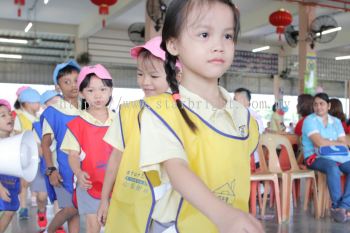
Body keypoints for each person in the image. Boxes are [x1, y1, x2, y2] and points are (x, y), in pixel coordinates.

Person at [137, 1, 263, 232]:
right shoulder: (161, 111)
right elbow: (177, 170)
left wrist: (232, 218)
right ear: (173, 44)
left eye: (228, 36)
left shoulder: (243, 116)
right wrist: (223, 215)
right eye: (204, 34)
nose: (219, 45)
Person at [98, 36, 180, 232]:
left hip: (167, 209)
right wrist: (104, 199)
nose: (145, 82)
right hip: (129, 201)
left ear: (175, 74)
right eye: (140, 74)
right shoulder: (127, 112)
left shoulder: (183, 113)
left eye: (153, 76)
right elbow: (115, 158)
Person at [61, 64, 115, 233]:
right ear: (82, 93)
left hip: (117, 185)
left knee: (114, 226)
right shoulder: (77, 124)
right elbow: (72, 154)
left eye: (103, 89)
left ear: (110, 91)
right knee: (93, 227)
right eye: (90, 91)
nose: (97, 95)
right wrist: (77, 172)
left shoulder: (120, 121)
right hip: (89, 184)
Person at [41, 60, 81, 233]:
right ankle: (49, 231)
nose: (73, 85)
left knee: (75, 212)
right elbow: (45, 144)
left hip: (83, 167)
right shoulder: (52, 112)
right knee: (71, 208)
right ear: (58, 87)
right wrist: (51, 169)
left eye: (76, 80)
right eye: (67, 82)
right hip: (63, 169)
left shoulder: (88, 108)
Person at [302, 92, 350, 223]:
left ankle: (343, 207)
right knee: (332, 167)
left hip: (337, 157)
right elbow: (319, 143)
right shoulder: (309, 121)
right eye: (315, 104)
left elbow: (344, 142)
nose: (318, 107)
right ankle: (336, 207)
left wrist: (328, 141)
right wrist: (334, 142)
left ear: (328, 106)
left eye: (322, 104)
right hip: (314, 157)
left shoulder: (336, 122)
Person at [31, 90, 61, 230]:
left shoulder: (64, 122)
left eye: (60, 101)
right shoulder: (37, 126)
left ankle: (58, 225)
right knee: (42, 196)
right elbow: (38, 147)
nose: (58, 104)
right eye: (54, 102)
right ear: (44, 105)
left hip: (60, 166)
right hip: (43, 166)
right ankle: (41, 212)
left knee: (58, 198)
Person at [13, 87, 41, 220]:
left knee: (36, 182)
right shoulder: (19, 117)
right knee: (24, 183)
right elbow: (16, 133)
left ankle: (38, 204)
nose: (39, 104)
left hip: (38, 155)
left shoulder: (39, 118)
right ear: (27, 103)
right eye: (36, 102)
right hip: (24, 155)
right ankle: (23, 207)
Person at [0, 99, 20, 232]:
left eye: (9, 114)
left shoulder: (14, 140)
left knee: (10, 211)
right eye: (3, 115)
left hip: (11, 182)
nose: (9, 117)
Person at [234, 87, 264, 167]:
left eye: (238, 99)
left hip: (252, 160)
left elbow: (258, 133)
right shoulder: (234, 116)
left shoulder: (255, 118)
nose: (235, 102)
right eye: (234, 99)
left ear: (247, 102)